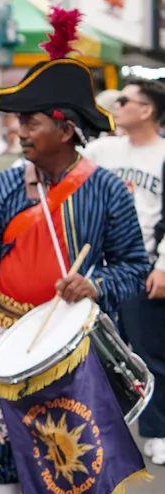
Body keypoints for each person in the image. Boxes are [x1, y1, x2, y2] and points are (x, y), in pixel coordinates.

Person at [0, 7, 148, 494]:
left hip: (75, 348)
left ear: (66, 129)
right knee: (3, 447)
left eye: (30, 123)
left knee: (70, 460)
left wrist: (96, 286)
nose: (20, 133)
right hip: (10, 339)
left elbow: (133, 268)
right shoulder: (6, 186)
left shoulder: (108, 191)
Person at [83, 78, 165, 464]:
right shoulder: (103, 148)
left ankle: (157, 430)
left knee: (150, 352)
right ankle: (99, 427)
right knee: (96, 352)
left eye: (123, 100)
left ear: (146, 110)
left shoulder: (164, 155)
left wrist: (164, 266)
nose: (115, 106)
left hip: (145, 265)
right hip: (97, 268)